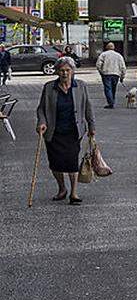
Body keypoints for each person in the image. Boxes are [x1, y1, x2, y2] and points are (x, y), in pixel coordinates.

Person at [35, 57, 95, 204]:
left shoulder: (80, 86)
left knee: (72, 161)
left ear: (73, 71)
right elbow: (41, 108)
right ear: (57, 71)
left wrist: (92, 127)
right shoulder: (49, 87)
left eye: (68, 70)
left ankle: (74, 193)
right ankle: (62, 188)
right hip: (53, 132)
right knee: (55, 163)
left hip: (73, 131)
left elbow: (88, 107)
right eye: (61, 70)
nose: (65, 73)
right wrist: (42, 122)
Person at [95, 42, 126, 110]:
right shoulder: (119, 55)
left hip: (106, 74)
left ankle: (110, 103)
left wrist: (101, 71)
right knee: (113, 88)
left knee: (108, 88)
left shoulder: (103, 54)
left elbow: (98, 64)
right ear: (114, 47)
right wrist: (122, 76)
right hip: (116, 74)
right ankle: (112, 101)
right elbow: (123, 67)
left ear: (107, 47)